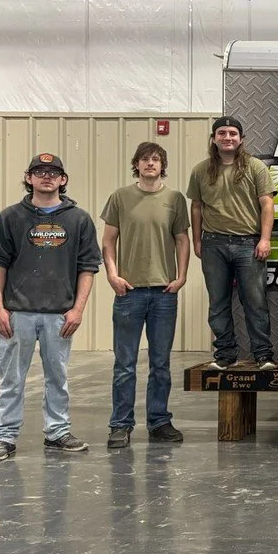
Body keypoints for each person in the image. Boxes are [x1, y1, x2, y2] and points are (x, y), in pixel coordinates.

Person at [0, 152, 101, 462]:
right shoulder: (10, 217)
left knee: (57, 376)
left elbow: (87, 267)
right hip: (17, 313)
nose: (46, 176)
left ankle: (58, 432)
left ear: (63, 180)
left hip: (59, 315)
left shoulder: (79, 220)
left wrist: (77, 310)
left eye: (53, 172)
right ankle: (5, 437)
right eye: (39, 171)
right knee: (11, 378)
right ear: (29, 178)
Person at [101, 142, 191, 448]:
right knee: (124, 364)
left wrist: (181, 277)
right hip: (129, 293)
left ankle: (159, 422)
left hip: (164, 293)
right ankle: (120, 424)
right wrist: (112, 275)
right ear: (136, 164)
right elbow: (109, 241)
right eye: (144, 159)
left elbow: (182, 240)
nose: (150, 163)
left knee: (160, 363)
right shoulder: (120, 198)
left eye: (156, 159)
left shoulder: (175, 199)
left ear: (162, 165)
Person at [186, 116, 277, 371]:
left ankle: (263, 355)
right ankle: (226, 355)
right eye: (222, 133)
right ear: (214, 139)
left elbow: (267, 204)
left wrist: (265, 239)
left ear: (241, 139)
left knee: (256, 302)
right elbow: (196, 207)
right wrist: (197, 241)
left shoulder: (256, 167)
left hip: (249, 244)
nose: (228, 137)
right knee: (218, 303)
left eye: (233, 133)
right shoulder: (200, 170)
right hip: (213, 243)